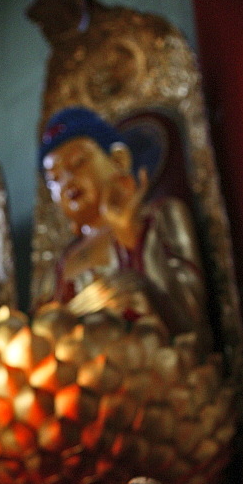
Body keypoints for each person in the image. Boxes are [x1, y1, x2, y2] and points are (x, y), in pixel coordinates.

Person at [39, 107, 214, 359]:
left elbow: (190, 318)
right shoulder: (59, 267)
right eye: (54, 178)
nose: (67, 180)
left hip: (156, 369)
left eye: (78, 163)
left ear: (118, 160)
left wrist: (130, 235)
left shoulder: (161, 216)